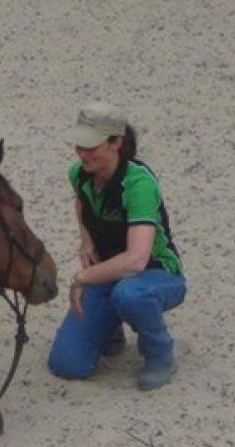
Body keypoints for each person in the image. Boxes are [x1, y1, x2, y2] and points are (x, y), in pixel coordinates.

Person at [46, 103, 186, 390]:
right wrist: (85, 239)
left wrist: (83, 277)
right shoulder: (79, 173)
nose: (82, 153)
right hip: (109, 274)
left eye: (91, 146)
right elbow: (80, 201)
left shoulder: (138, 185)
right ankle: (111, 328)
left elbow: (136, 260)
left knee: (131, 294)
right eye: (79, 145)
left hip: (155, 273)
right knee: (66, 364)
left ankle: (160, 354)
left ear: (116, 143)